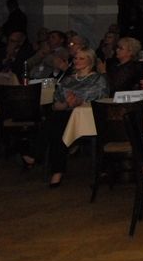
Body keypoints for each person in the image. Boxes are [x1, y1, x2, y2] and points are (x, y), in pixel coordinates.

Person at [23, 47, 108, 186]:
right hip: (65, 114)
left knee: (57, 122)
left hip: (87, 118)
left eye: (81, 58)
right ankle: (57, 170)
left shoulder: (98, 79)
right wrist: (66, 104)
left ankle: (37, 156)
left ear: (90, 61)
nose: (77, 61)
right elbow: (56, 103)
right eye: (75, 58)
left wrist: (77, 102)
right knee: (57, 124)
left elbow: (99, 99)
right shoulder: (67, 80)